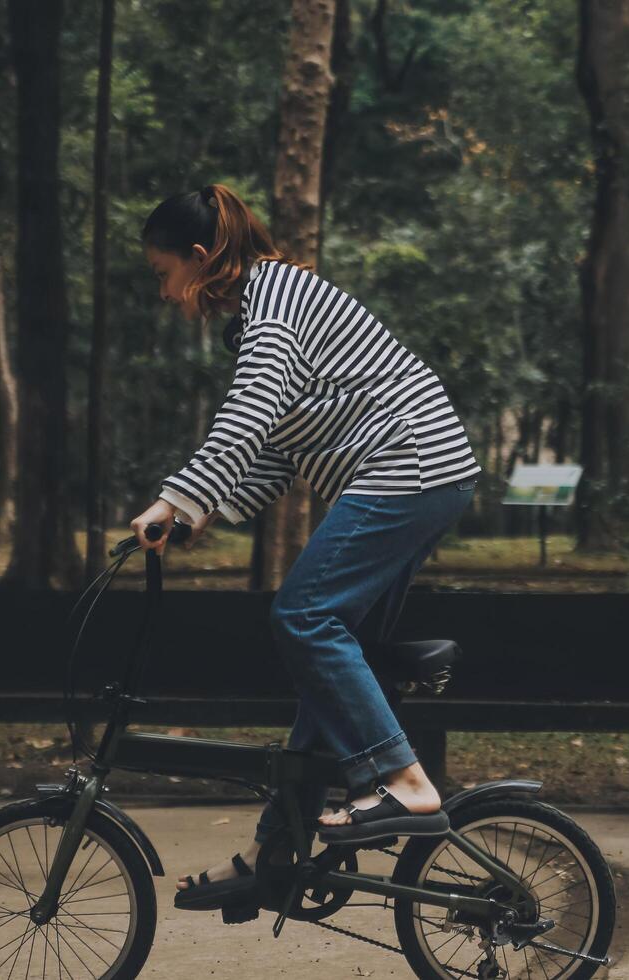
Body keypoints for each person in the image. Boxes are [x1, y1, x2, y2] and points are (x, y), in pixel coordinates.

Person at [127, 183, 480, 909]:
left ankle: (404, 784)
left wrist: (175, 495)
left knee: (303, 617)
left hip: (408, 466)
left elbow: (252, 411)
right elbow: (286, 446)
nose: (164, 294)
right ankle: (273, 850)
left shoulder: (275, 305)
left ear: (199, 259)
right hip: (421, 471)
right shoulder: (274, 305)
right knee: (327, 658)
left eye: (164, 275)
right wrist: (208, 512)